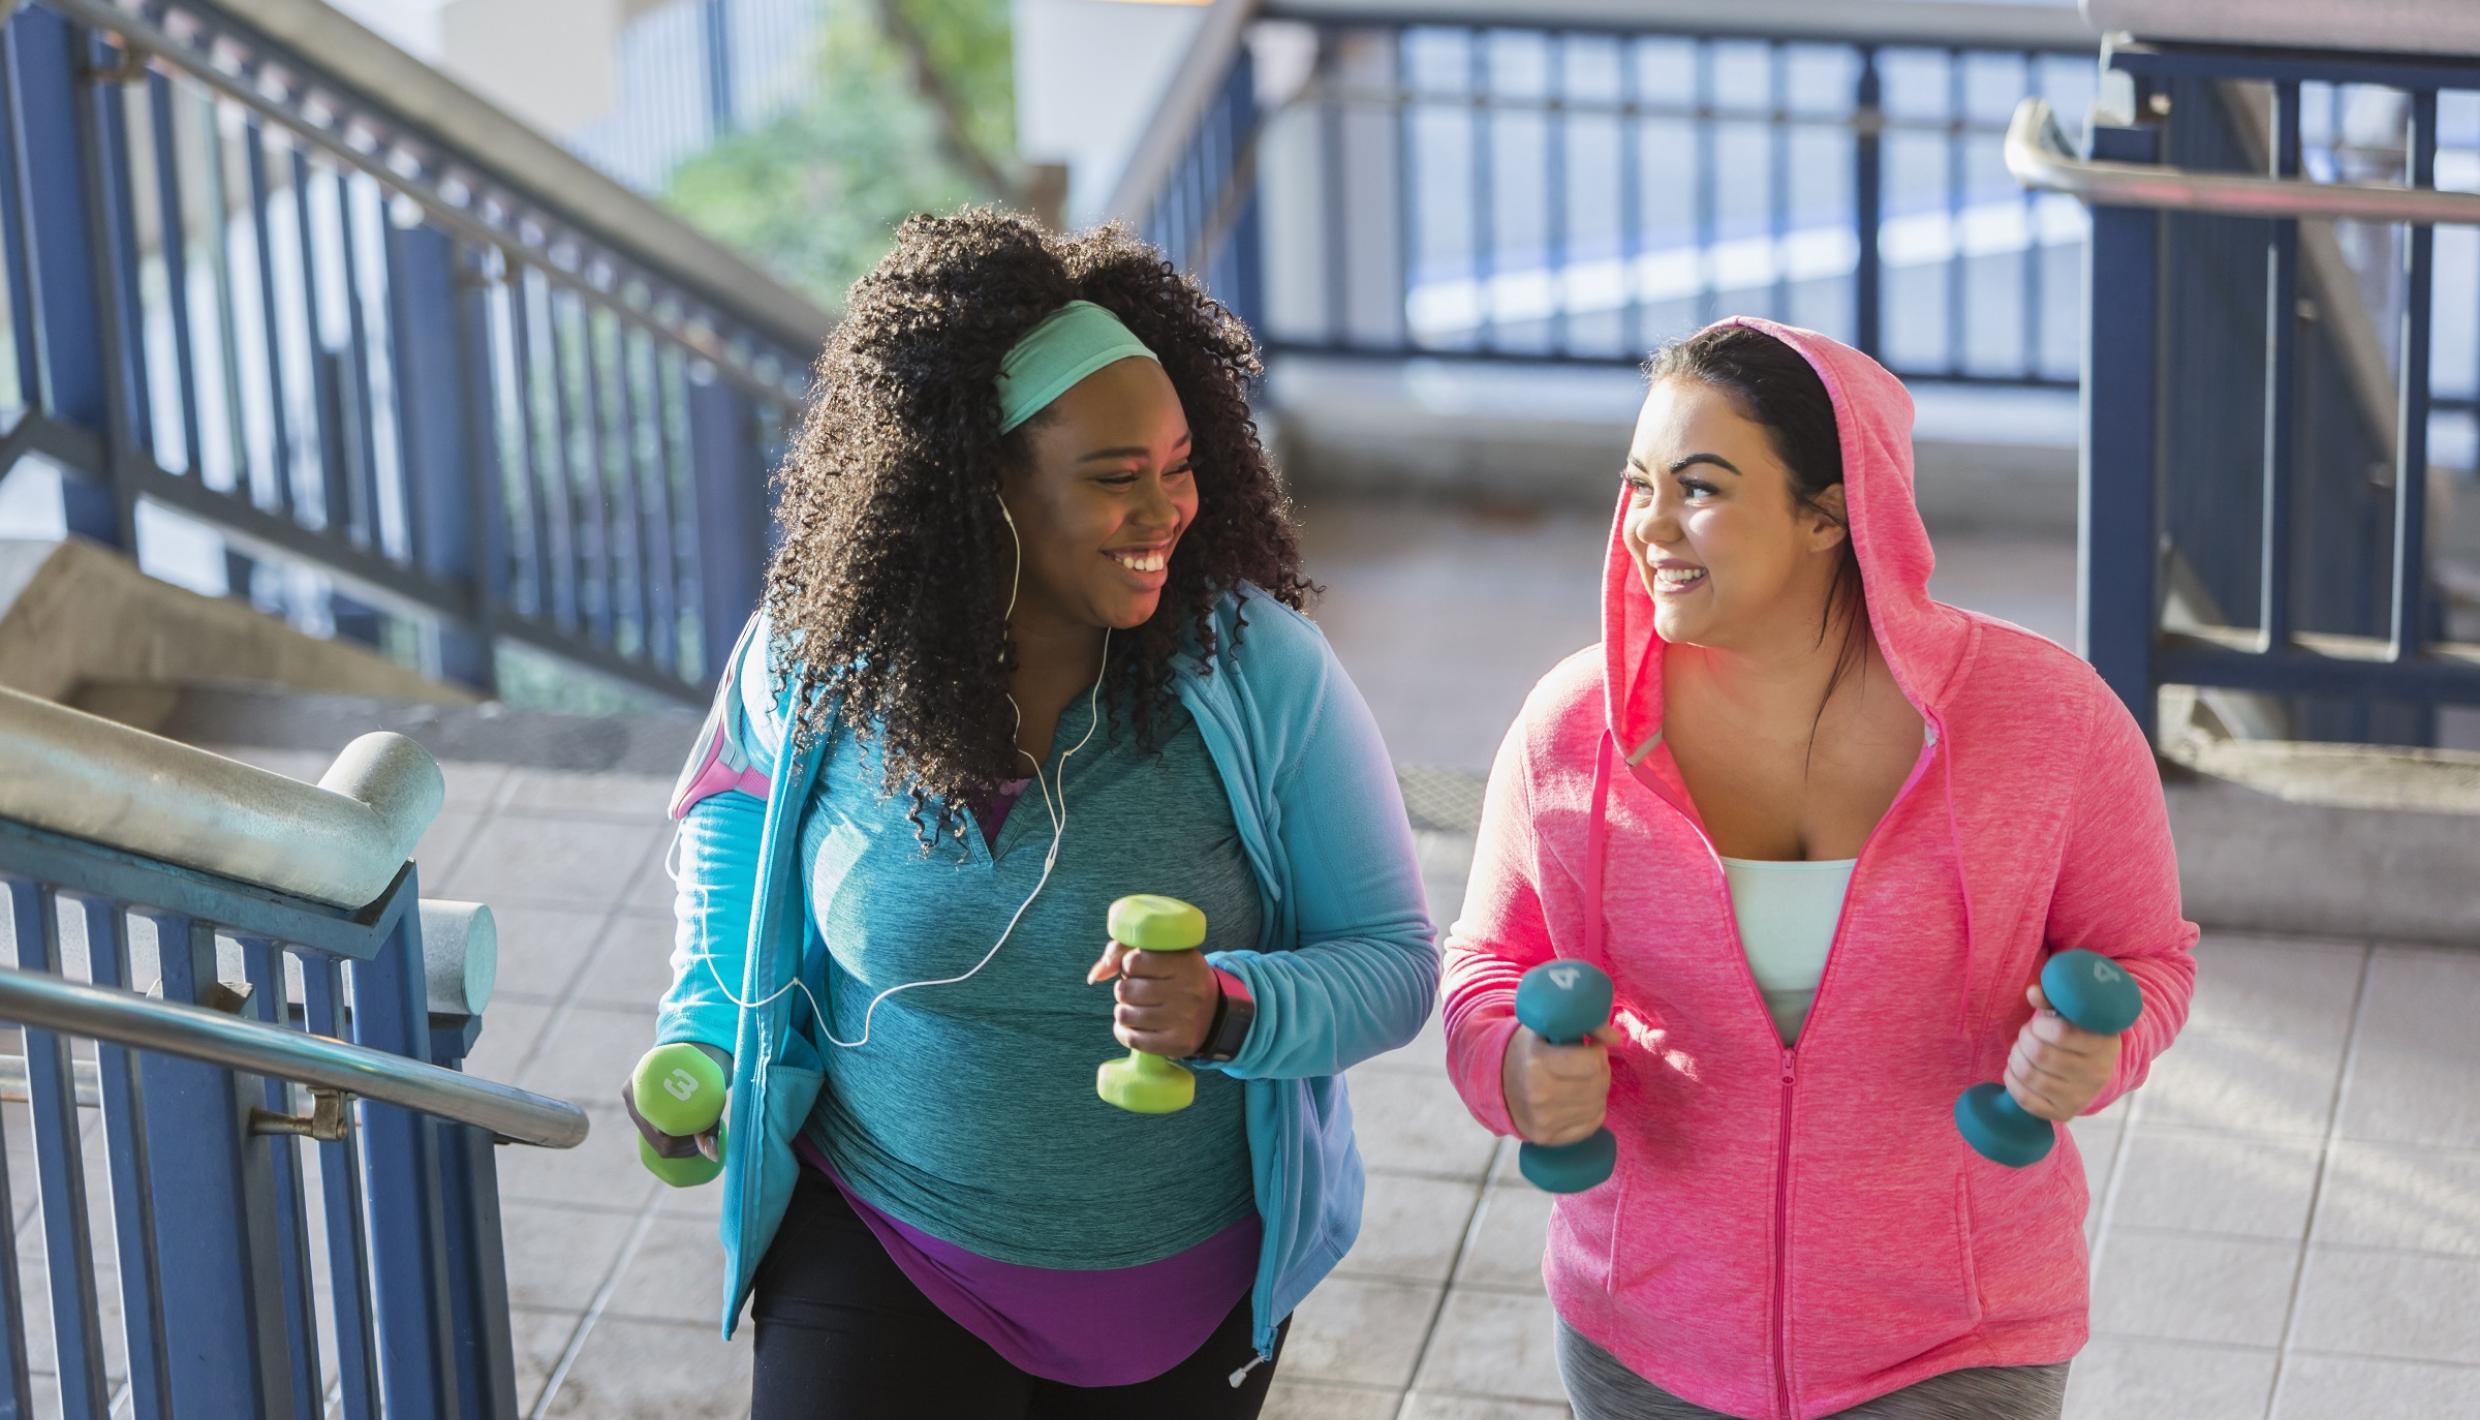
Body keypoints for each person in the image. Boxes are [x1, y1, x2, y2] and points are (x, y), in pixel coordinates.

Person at [629, 209, 1436, 1418]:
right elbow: (736, 817)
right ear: (980, 484)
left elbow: (1394, 963)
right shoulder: (821, 655)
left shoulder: (1262, 673)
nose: (1166, 511)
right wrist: (704, 1032)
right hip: (882, 1236)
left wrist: (1229, 1008)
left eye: (1178, 465)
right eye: (1115, 477)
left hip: (1171, 1288)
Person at [1442, 318, 2199, 1419]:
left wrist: (2101, 1052)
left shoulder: (2049, 723)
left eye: (1699, 487)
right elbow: (1483, 968)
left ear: (1830, 513)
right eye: (1638, 484)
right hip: (1646, 1337)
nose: (1648, 525)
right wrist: (1509, 1068)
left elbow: (2148, 959)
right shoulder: (1571, 730)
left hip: (1955, 1341)